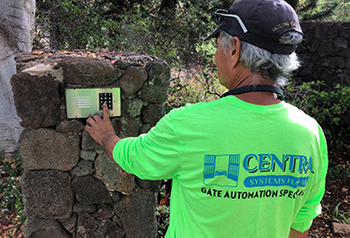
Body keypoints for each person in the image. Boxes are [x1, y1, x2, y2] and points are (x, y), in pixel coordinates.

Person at [85, 0, 328, 237]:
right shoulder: (310, 133)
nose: (214, 57)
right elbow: (303, 218)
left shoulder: (188, 124)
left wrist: (108, 137)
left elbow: (137, 159)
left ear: (234, 49)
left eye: (217, 46)